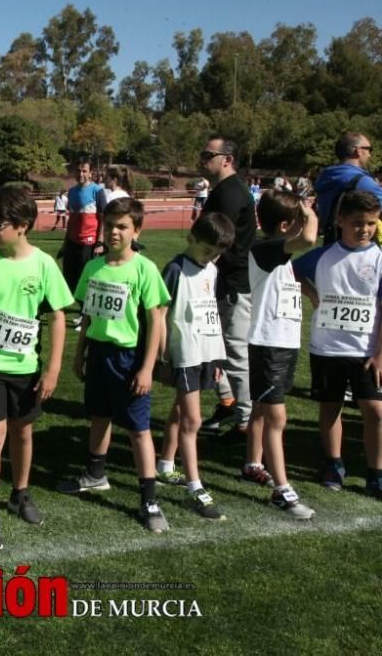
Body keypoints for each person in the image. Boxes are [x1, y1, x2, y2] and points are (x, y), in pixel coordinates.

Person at [0, 187, 72, 550]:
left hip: (27, 367)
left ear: (22, 226)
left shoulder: (43, 264)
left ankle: (20, 493)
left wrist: (52, 369)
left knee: (23, 433)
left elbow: (57, 316)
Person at [60, 198, 171, 533]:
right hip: (99, 354)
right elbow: (88, 314)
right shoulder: (94, 268)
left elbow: (154, 322)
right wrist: (80, 353)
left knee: (138, 429)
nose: (114, 233)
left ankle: (149, 498)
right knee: (99, 415)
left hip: (129, 359)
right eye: (110, 226)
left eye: (122, 226)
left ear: (136, 230)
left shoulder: (144, 269)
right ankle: (95, 474)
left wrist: (147, 368)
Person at [294, 190, 382, 499]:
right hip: (327, 348)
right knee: (331, 406)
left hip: (365, 351)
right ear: (341, 220)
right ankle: (333, 464)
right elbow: (288, 270)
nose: (364, 229)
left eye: (371, 223)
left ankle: (376, 473)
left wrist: (380, 354)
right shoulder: (323, 255)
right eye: (357, 222)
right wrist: (312, 294)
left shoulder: (379, 258)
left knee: (375, 411)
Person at [154, 214, 237, 519]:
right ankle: (194, 487)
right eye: (206, 250)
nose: (211, 257)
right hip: (184, 354)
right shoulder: (176, 269)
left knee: (180, 409)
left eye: (216, 253)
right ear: (191, 238)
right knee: (193, 420)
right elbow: (160, 314)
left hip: (205, 353)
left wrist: (216, 357)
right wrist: (162, 356)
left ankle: (164, 464)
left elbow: (210, 315)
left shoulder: (212, 271)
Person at [244, 189, 318, 518]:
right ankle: (282, 490)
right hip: (269, 343)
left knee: (262, 408)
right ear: (287, 224)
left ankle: (252, 463)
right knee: (277, 417)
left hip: (283, 342)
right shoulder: (266, 248)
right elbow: (310, 237)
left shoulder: (280, 256)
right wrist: (311, 213)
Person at [198, 136, 258, 440]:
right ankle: (229, 402)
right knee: (212, 345)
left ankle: (246, 421)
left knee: (235, 352)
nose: (202, 158)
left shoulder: (232, 192)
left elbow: (221, 240)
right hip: (221, 282)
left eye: (209, 154)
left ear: (227, 159)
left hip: (233, 284)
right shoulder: (224, 190)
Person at [315, 132, 382, 245]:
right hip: (356, 246)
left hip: (330, 243)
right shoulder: (361, 182)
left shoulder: (325, 176)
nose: (370, 155)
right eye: (369, 149)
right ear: (358, 151)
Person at [63, 160, 107, 330]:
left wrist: (100, 241)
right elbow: (72, 219)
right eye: (78, 171)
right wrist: (65, 242)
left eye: (84, 171)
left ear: (90, 173)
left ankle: (87, 317)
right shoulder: (72, 192)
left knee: (87, 280)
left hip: (89, 243)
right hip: (72, 242)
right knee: (71, 280)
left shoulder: (97, 191)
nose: (81, 174)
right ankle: (83, 311)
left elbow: (103, 217)